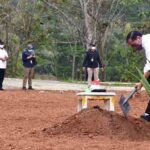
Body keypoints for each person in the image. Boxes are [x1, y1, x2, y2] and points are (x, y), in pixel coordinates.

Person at [126, 30, 150, 121]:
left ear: (139, 38)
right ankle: (148, 114)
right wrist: (141, 81)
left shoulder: (148, 44)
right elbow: (147, 66)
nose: (134, 48)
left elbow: (149, 68)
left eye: (134, 45)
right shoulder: (147, 40)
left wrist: (141, 83)